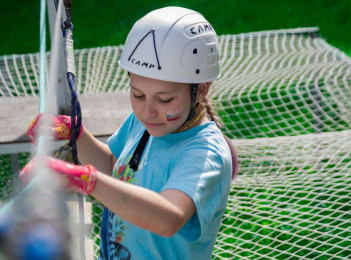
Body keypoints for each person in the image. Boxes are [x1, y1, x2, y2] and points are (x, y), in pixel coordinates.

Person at [21, 6, 238, 260]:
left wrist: (86, 180)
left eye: (164, 99)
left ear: (200, 91)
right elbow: (116, 168)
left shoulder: (205, 154)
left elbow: (168, 218)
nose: (148, 111)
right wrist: (76, 134)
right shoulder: (145, 122)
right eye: (137, 94)